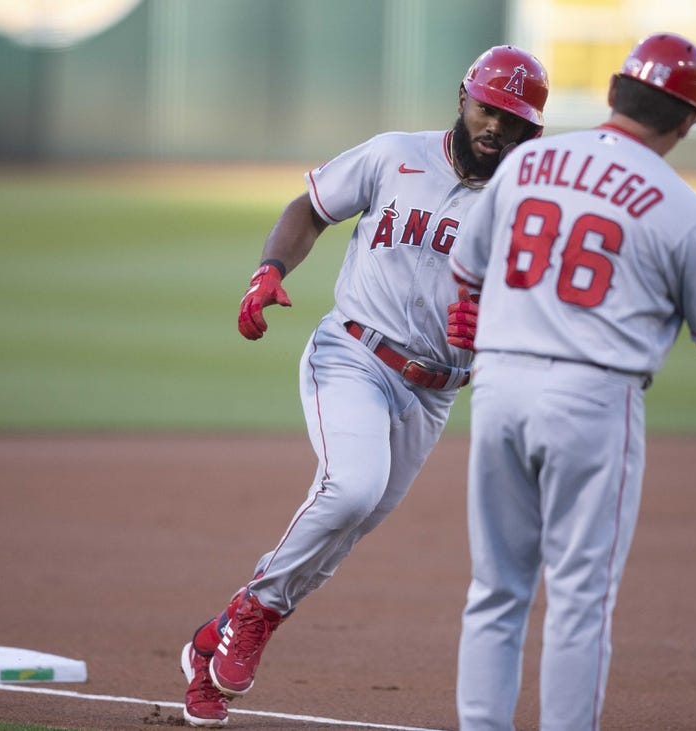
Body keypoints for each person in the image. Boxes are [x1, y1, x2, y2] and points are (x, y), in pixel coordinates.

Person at [178, 45, 550, 727]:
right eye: (487, 109)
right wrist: (269, 271)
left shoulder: (526, 207)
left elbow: (537, 311)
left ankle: (219, 636)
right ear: (463, 98)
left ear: (532, 131)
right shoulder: (394, 155)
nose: (496, 126)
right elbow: (311, 207)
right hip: (354, 354)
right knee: (350, 488)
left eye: (514, 120)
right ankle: (252, 614)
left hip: (435, 393)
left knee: (347, 529)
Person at [448, 33, 696, 731]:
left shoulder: (525, 163)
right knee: (579, 598)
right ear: (688, 122)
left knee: (495, 586)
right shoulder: (682, 208)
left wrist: (486, 329)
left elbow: (467, 271)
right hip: (591, 401)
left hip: (499, 386)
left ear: (613, 93)